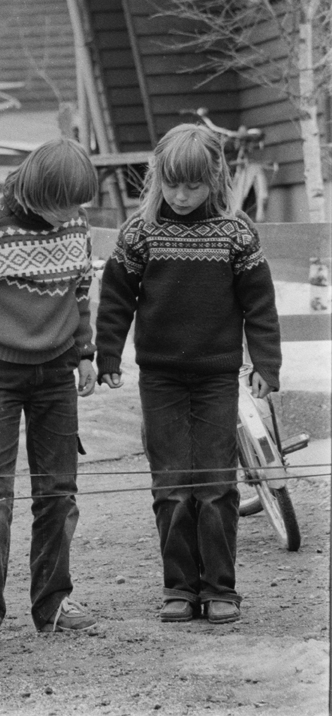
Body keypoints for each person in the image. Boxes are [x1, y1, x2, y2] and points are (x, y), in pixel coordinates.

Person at [95, 123, 281, 624]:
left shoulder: (236, 232)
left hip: (217, 376)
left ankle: (221, 587)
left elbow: (259, 305)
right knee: (172, 483)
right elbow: (115, 299)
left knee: (216, 483)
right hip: (160, 378)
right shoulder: (140, 232)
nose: (181, 196)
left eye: (193, 186)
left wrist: (266, 363)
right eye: (173, 185)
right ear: (158, 179)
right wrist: (107, 354)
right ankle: (179, 586)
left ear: (214, 179)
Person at [0, 138, 100, 651]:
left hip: (55, 372)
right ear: (35, 191)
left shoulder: (74, 226)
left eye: (77, 205)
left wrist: (86, 354)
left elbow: (80, 294)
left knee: (58, 493)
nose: (70, 215)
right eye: (62, 205)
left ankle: (53, 603)